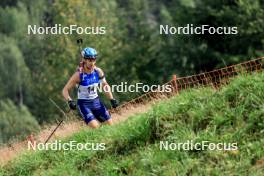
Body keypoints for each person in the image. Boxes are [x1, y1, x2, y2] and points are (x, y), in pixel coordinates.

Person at [62, 47, 118, 128]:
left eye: (94, 60)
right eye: (90, 60)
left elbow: (105, 85)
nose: (92, 63)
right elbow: (65, 90)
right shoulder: (78, 75)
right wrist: (70, 101)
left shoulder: (98, 71)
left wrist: (112, 99)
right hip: (84, 105)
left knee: (110, 126)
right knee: (95, 127)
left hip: (96, 102)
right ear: (84, 60)